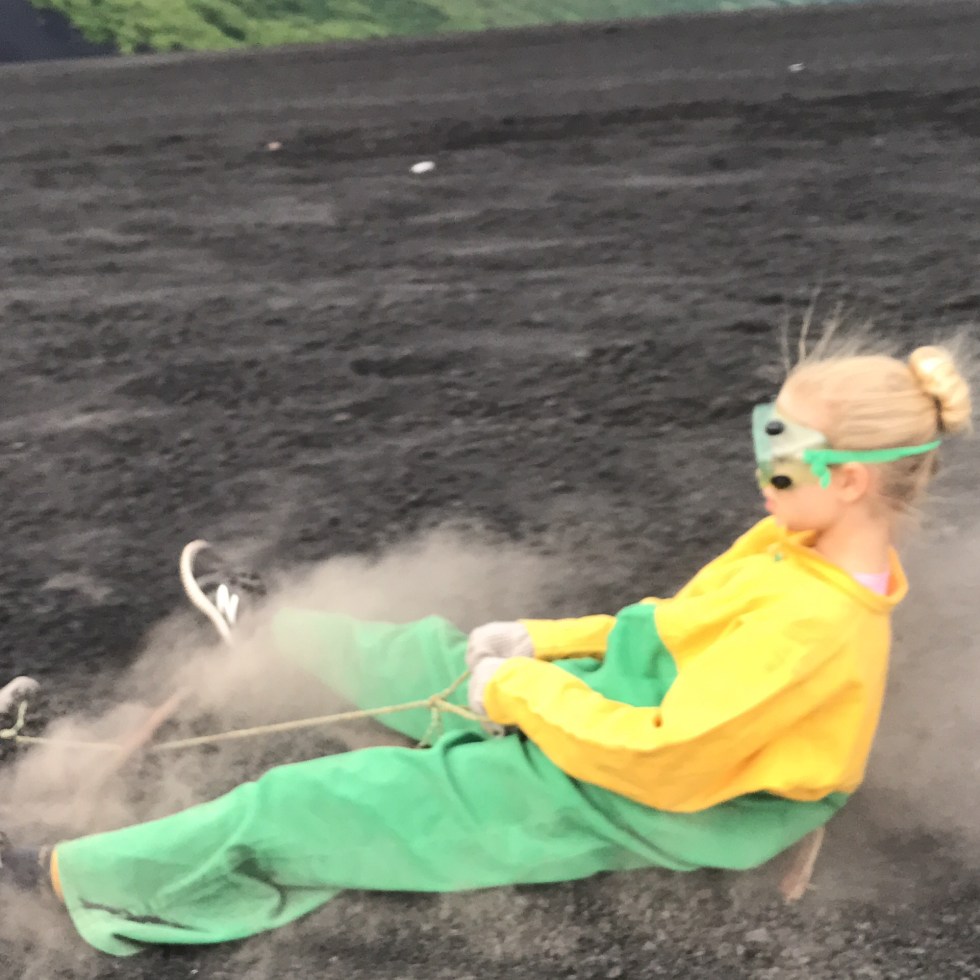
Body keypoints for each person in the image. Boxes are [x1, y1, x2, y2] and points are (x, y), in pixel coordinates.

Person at [0, 341, 972, 956]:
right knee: (439, 654)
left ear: (849, 480)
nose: (760, 462)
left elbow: (664, 756)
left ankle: (70, 878)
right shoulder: (792, 543)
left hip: (648, 787)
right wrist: (538, 646)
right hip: (629, 710)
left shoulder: (814, 624)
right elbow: (668, 627)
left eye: (780, 446)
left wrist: (517, 696)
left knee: (307, 802)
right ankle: (272, 630)